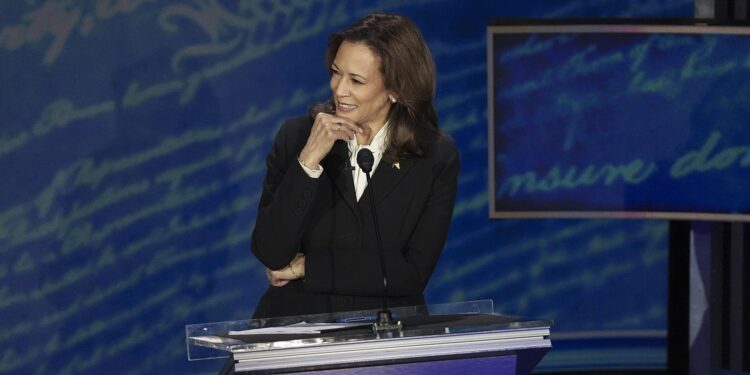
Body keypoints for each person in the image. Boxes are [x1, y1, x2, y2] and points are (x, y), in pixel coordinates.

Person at [251, 12, 460, 319]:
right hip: (296, 335)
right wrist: (308, 161)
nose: (339, 89)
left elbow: (411, 273)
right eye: (336, 73)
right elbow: (270, 252)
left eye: (356, 80)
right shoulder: (296, 137)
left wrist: (308, 267)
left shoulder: (434, 157)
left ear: (396, 90)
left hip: (386, 342)